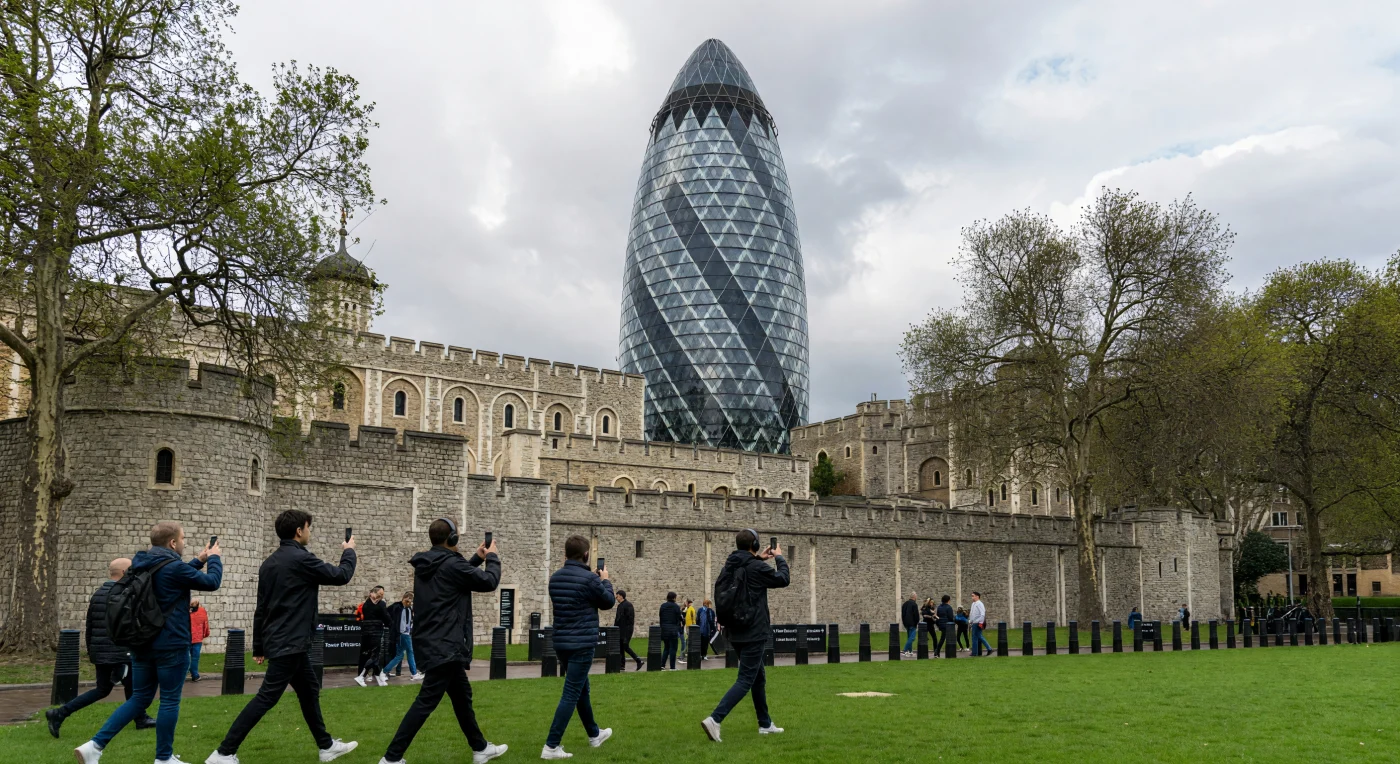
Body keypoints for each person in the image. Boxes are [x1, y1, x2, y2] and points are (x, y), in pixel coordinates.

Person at [205, 509, 359, 764]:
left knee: (308, 689)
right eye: (308, 528)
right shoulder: (301, 559)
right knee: (267, 697)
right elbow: (341, 575)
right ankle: (223, 752)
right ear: (299, 531)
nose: (309, 532)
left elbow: (261, 608)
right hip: (291, 641)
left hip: (285, 640)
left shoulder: (269, 563)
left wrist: (258, 646)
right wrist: (349, 551)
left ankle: (326, 745)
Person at [75, 521, 222, 764]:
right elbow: (212, 582)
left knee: (140, 698)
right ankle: (164, 758)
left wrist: (200, 559)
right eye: (182, 539)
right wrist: (215, 558)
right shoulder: (173, 567)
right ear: (173, 542)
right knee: (170, 700)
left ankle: (94, 746)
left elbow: (174, 577)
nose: (184, 542)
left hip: (142, 643)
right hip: (171, 645)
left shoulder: (141, 563)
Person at [378, 518, 507, 764]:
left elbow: (455, 578)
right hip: (445, 643)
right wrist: (492, 558)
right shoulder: (450, 565)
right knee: (426, 701)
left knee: (462, 697)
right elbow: (489, 582)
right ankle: (392, 757)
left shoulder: (428, 564)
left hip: (434, 641)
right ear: (453, 538)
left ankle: (480, 748)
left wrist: (477, 559)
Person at [46, 558, 156, 738]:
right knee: (133, 687)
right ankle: (140, 718)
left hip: (101, 651)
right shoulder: (123, 593)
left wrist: (93, 652)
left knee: (107, 689)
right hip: (119, 650)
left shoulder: (98, 593)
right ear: (123, 573)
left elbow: (90, 625)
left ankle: (60, 713)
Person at [701, 529, 789, 743]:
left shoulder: (730, 565)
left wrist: (758, 559)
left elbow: (745, 569)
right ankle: (715, 719)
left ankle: (765, 723)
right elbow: (783, 579)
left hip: (735, 630)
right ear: (756, 545)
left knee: (758, 678)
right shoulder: (756, 567)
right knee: (746, 679)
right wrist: (779, 557)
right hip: (754, 630)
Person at [541, 535, 615, 759]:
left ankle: (594, 734)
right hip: (582, 643)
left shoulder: (555, 578)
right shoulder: (590, 580)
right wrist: (605, 580)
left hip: (562, 642)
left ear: (565, 554)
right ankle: (551, 746)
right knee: (572, 692)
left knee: (581, 689)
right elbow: (608, 602)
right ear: (585, 555)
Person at [355, 585, 392, 687]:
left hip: (366, 632)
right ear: (373, 593)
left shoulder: (365, 605)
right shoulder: (380, 604)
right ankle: (362, 676)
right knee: (375, 655)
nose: (381, 596)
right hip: (375, 632)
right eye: (380, 594)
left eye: (382, 594)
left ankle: (378, 676)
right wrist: (391, 625)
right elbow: (386, 617)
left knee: (366, 654)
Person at [613, 590, 643, 671]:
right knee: (621, 648)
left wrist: (627, 630)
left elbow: (630, 619)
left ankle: (638, 660)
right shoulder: (620, 606)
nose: (616, 597)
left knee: (625, 646)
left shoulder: (628, 605)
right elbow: (617, 619)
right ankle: (622, 665)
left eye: (617, 596)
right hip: (620, 630)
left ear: (621, 596)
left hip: (626, 631)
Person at [659, 592, 682, 670]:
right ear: (674, 598)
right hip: (673, 630)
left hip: (664, 630)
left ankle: (662, 665)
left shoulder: (663, 606)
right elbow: (679, 617)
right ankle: (672, 667)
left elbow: (661, 617)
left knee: (666, 648)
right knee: (673, 648)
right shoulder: (676, 607)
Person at [188, 599, 209, 682]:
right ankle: (195, 675)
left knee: (185, 657)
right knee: (195, 658)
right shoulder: (202, 611)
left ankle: (183, 674)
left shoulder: (185, 611)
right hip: (197, 638)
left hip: (187, 637)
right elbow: (205, 624)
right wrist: (205, 634)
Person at [969, 592, 991, 657]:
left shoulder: (980, 604)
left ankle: (988, 648)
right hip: (974, 622)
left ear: (977, 596)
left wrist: (980, 622)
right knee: (975, 637)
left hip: (978, 622)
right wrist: (971, 621)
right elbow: (972, 613)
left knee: (978, 636)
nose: (972, 597)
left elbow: (982, 614)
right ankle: (974, 652)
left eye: (973, 596)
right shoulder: (973, 604)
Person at [901, 592, 920, 656]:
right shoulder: (914, 604)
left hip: (906, 623)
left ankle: (910, 651)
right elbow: (916, 615)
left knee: (909, 636)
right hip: (912, 623)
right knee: (912, 637)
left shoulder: (905, 604)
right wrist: (916, 622)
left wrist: (904, 622)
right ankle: (905, 650)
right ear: (914, 597)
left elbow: (903, 614)